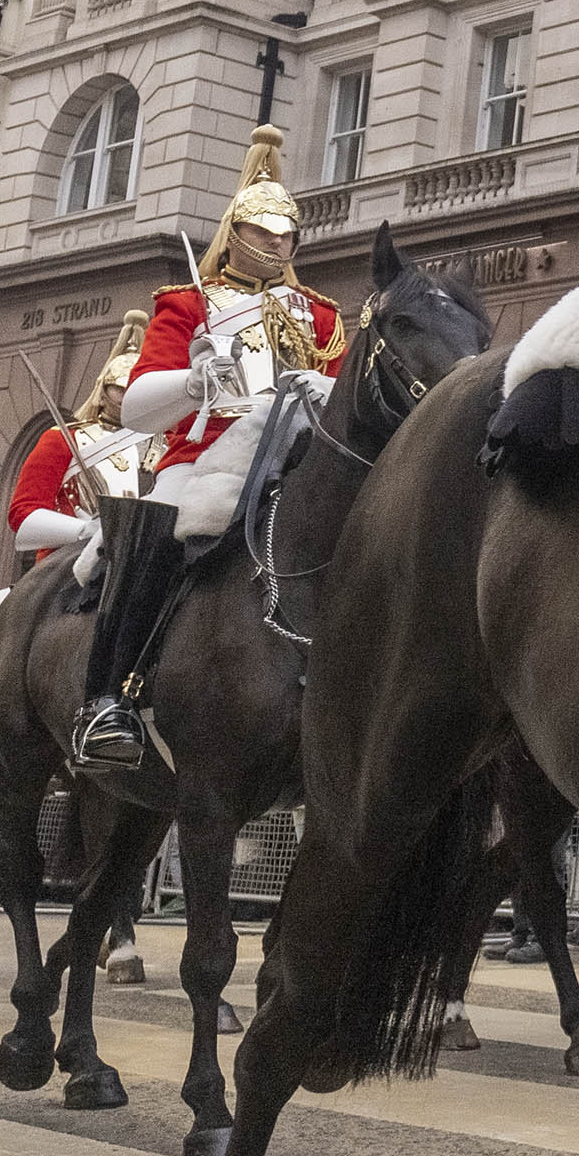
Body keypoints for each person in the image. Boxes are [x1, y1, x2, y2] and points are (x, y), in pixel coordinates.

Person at [69, 129, 343, 769]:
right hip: (202, 457)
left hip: (295, 453)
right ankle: (108, 699)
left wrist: (321, 386)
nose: (277, 245)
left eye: (287, 235)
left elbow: (344, 384)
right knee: (155, 530)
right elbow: (138, 407)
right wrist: (192, 380)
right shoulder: (190, 303)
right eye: (264, 232)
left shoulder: (320, 316)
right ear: (235, 232)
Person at [5, 311, 155, 571]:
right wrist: (84, 529)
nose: (127, 396)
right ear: (104, 389)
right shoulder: (63, 439)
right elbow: (24, 512)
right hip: (72, 556)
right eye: (119, 389)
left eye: (134, 389)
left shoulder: (162, 443)